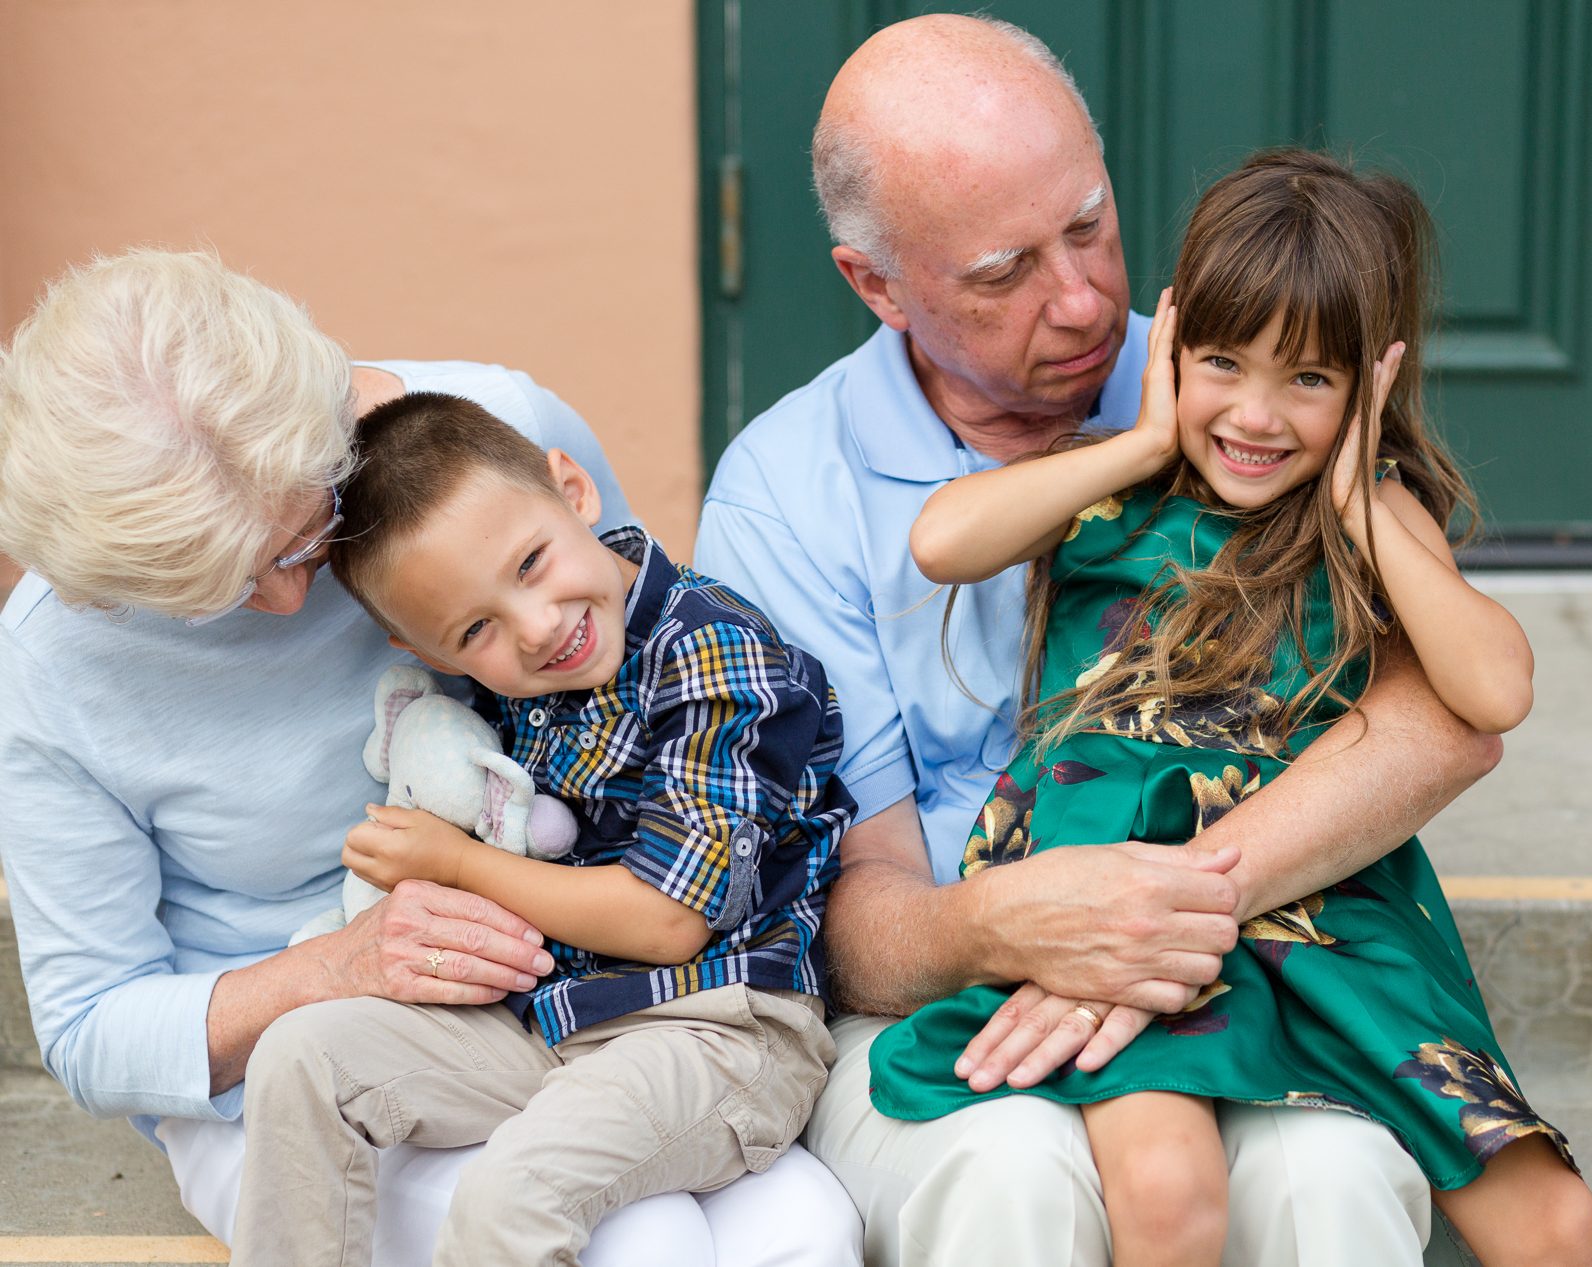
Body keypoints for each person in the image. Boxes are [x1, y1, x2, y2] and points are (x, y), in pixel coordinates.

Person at [694, 15, 1503, 1266]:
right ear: (878, 285)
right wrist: (1022, 929)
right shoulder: (785, 497)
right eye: (1002, 272)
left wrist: (1154, 917)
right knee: (1011, 1176)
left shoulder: (1254, 390)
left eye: (1088, 226)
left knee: (1329, 1179)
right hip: (951, 983)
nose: (1080, 300)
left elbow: (1446, 725)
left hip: (1261, 955)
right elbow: (850, 908)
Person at [0, 249, 862, 1265]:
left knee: (803, 1226)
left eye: (297, 542)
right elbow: (91, 1029)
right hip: (320, 1041)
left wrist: (477, 876)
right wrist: (335, 966)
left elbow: (645, 698)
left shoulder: (492, 435)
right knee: (642, 1241)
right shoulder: (53, 656)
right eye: (212, 594)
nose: (283, 603)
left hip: (599, 997)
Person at [869, 150, 1592, 1267]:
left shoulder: (1368, 509)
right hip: (1121, 886)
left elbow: (1495, 689)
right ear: (1168, 344)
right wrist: (1147, 436)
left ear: (1369, 380)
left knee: (1554, 1215)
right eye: (1222, 362)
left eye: (1309, 378)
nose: (1255, 416)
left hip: (1318, 907)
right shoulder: (1110, 484)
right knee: (1168, 1193)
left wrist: (1360, 491)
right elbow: (941, 541)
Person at [209, 392, 855, 1266]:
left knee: (513, 1192)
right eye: (477, 628)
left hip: (718, 1032)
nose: (539, 626)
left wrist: (455, 863)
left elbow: (668, 919)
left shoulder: (714, 654)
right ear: (433, 656)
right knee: (299, 1054)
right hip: (549, 1024)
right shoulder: (510, 690)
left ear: (574, 491)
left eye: (532, 563)